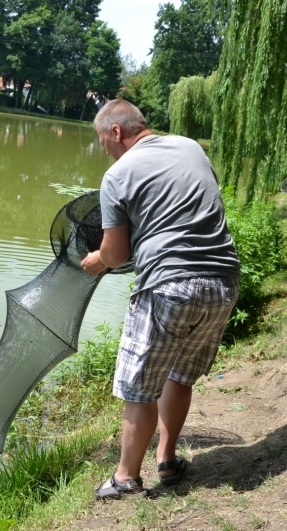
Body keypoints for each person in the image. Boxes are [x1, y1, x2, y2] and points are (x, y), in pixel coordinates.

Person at [81, 99, 240, 499]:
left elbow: (117, 255)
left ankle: (125, 479)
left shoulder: (117, 175)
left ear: (116, 132)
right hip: (222, 282)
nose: (107, 150)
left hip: (169, 286)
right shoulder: (190, 146)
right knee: (180, 373)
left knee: (139, 387)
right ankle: (167, 461)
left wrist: (97, 260)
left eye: (104, 142)